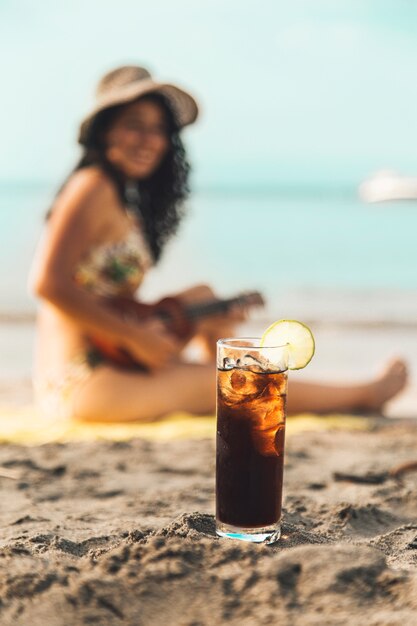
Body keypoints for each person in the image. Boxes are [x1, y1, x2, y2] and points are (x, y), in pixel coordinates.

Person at [30, 65, 408, 423]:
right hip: (80, 381)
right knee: (232, 386)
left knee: (204, 298)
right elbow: (48, 283)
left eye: (160, 129)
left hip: (119, 358)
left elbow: (117, 302)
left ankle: (217, 374)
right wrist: (134, 336)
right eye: (135, 126)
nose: (150, 140)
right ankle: (363, 394)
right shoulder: (92, 185)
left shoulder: (118, 194)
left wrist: (188, 321)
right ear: (105, 132)